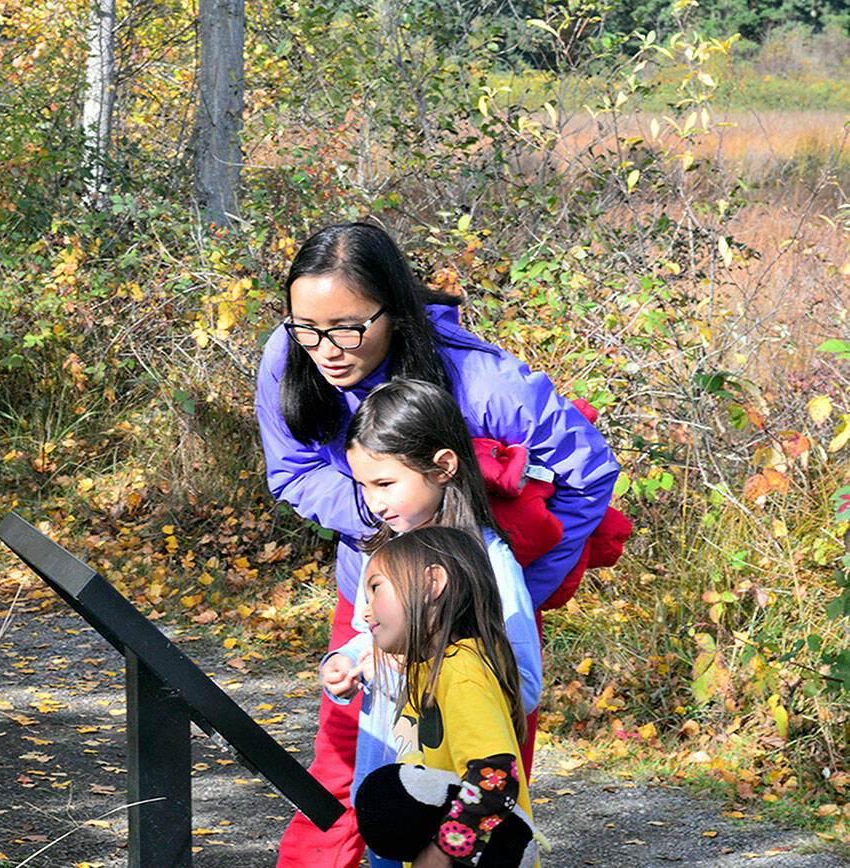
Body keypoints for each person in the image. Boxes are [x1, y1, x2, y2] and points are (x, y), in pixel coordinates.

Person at [256, 222, 620, 867]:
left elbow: (588, 473)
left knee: (465, 772)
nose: (324, 349)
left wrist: (495, 588)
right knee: (353, 769)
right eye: (304, 328)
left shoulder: (484, 382)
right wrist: (386, 542)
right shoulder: (291, 355)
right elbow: (292, 474)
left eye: (346, 328)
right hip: (383, 600)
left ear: (393, 312)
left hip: (472, 603)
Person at [320, 379, 542, 868]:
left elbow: (521, 685)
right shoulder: (386, 548)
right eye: (363, 485)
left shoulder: (490, 562)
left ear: (442, 467)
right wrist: (349, 660)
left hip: (456, 827)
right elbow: (375, 633)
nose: (373, 501)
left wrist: (450, 674)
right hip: (399, 793)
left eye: (385, 483)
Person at [350, 526, 538, 868]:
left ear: (432, 584)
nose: (365, 611)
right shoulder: (427, 671)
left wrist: (443, 852)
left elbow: (494, 776)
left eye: (375, 588)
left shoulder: (462, 670)